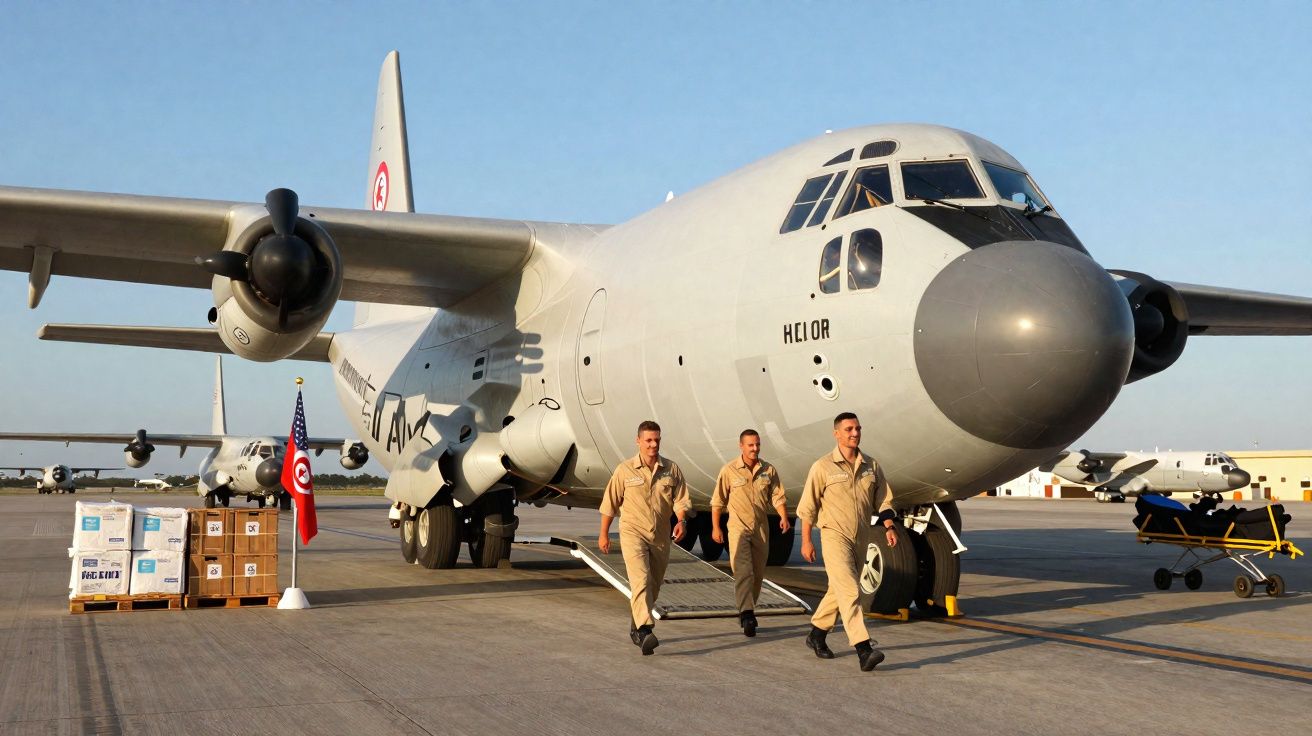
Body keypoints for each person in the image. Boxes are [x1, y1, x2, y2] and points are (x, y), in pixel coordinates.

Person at [797, 412, 897, 671]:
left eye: (858, 428)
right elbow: (807, 507)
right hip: (833, 535)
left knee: (838, 590)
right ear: (837, 434)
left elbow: (883, 500)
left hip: (861, 536)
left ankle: (816, 634)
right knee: (851, 590)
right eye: (849, 429)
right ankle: (863, 649)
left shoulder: (871, 466)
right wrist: (806, 541)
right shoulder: (823, 466)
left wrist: (888, 526)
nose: (855, 433)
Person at [599, 420, 691, 655]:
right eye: (648, 440)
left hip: (660, 535)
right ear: (638, 441)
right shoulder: (625, 469)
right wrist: (604, 534)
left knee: (653, 585)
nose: (653, 444)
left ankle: (635, 627)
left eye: (657, 440)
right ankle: (645, 629)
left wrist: (681, 521)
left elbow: (681, 500)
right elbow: (610, 503)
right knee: (640, 579)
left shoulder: (671, 469)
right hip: (633, 532)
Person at [711, 428, 790, 637]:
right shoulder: (729, 470)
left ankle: (748, 609)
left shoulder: (768, 470)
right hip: (738, 527)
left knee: (757, 574)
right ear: (741, 446)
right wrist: (716, 527)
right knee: (743, 571)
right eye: (750, 445)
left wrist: (783, 516)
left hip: (760, 528)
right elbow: (718, 502)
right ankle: (746, 613)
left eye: (757, 445)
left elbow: (777, 496)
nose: (755, 449)